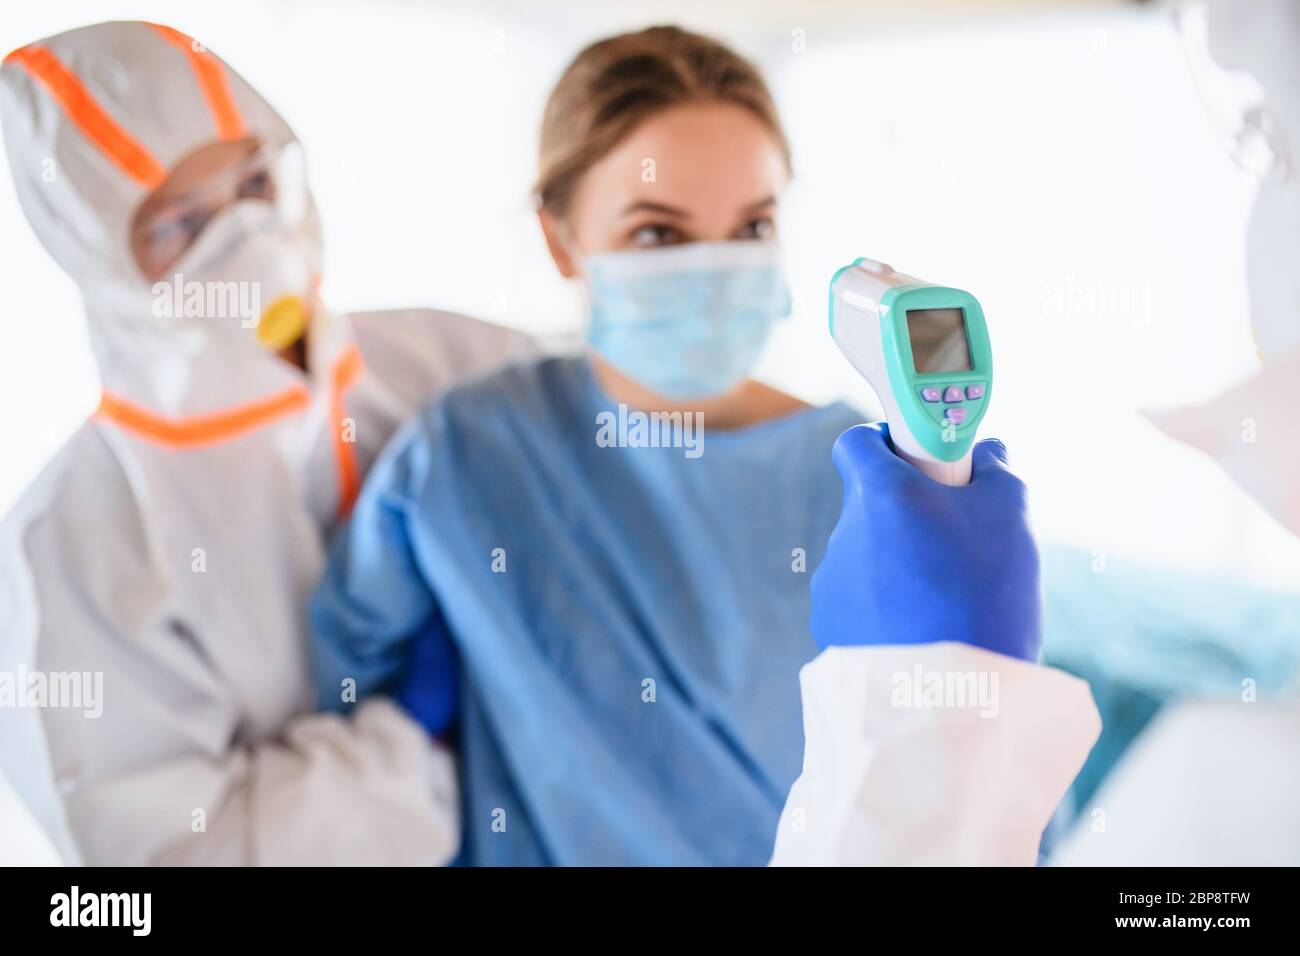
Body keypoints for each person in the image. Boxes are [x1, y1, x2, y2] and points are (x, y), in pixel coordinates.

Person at [310, 25, 1101, 866]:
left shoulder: (876, 481)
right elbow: (345, 678)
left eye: (752, 226)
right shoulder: (468, 451)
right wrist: (411, 721)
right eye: (659, 234)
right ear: (559, 239)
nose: (716, 268)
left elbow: (995, 807)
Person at [0, 20, 531, 865]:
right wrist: (408, 733)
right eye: (180, 224)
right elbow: (171, 861)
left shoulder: (458, 360)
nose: (247, 235)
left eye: (255, 181)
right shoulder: (70, 547)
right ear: (98, 256)